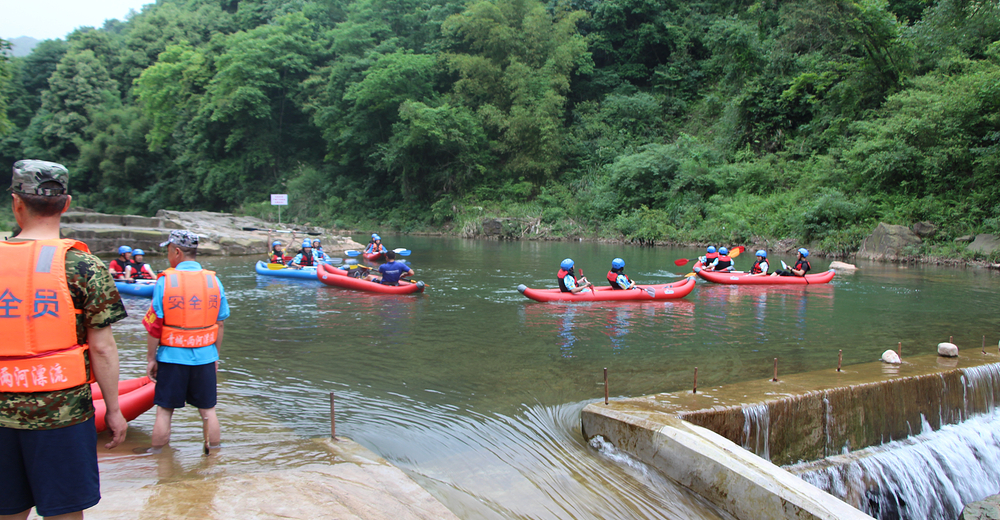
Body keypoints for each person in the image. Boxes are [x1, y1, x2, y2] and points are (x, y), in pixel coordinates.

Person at [1, 159, 128, 519]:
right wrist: (115, 412)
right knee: (65, 513)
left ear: (16, 203)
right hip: (64, 418)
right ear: (66, 203)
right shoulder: (85, 267)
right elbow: (103, 348)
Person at [143, 230, 229, 452]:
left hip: (172, 357)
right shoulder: (213, 281)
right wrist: (215, 356)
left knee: (164, 410)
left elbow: (155, 326)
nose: (168, 255)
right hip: (205, 356)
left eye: (169, 251)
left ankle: (160, 460)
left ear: (177, 251)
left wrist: (151, 358)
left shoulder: (165, 281)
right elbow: (219, 324)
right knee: (208, 411)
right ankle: (215, 457)